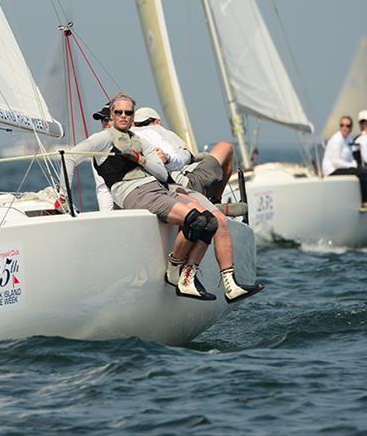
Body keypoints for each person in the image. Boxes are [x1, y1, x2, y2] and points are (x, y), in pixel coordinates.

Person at [59, 93, 262, 303]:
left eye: (127, 113)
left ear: (133, 116)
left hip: (159, 187)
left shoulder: (139, 141)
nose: (121, 117)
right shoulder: (102, 139)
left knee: (209, 222)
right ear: (112, 115)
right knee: (197, 220)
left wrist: (141, 159)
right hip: (135, 192)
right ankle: (175, 268)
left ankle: (187, 277)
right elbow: (70, 158)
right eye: (116, 113)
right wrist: (64, 195)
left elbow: (161, 173)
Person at [131, 107, 238, 208]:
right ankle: (215, 200)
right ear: (157, 122)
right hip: (185, 185)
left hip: (146, 192)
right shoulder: (159, 131)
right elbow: (184, 157)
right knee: (225, 147)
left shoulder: (128, 137)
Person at [322, 115, 367, 210]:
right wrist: (352, 166)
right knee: (365, 174)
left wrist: (353, 164)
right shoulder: (336, 140)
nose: (344, 128)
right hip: (332, 171)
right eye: (342, 125)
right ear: (340, 126)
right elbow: (335, 162)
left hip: (343, 168)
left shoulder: (348, 139)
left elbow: (350, 157)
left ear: (351, 128)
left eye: (347, 126)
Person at [91, 104, 114, 212]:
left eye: (109, 119)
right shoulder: (97, 141)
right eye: (103, 120)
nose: (105, 123)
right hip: (107, 193)